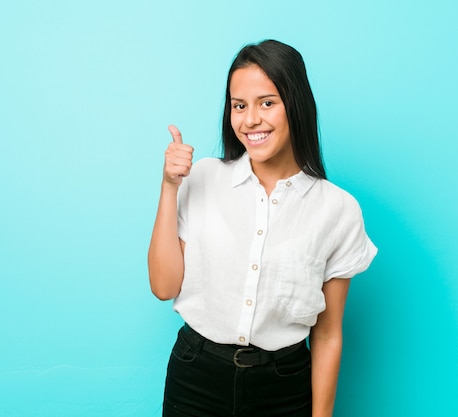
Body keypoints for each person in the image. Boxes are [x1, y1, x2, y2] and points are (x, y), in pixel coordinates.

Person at [148, 39, 377, 417]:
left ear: (296, 105)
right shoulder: (203, 177)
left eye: (266, 103)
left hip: (283, 388)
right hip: (196, 378)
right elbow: (163, 287)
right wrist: (169, 187)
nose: (250, 119)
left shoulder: (337, 209)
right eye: (239, 106)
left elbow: (328, 333)